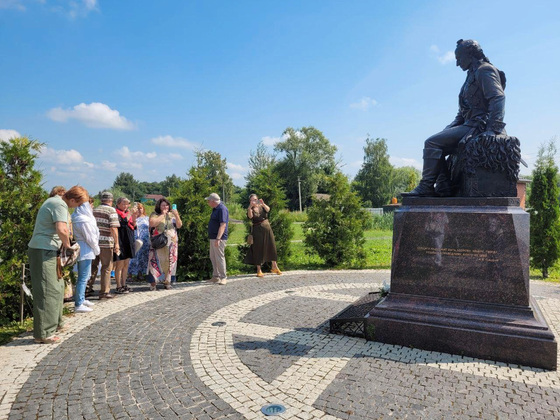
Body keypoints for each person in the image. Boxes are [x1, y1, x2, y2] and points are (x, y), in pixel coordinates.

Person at [404, 39, 506, 197]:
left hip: (479, 126)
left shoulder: (484, 70)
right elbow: (462, 113)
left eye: (459, 58)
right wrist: (448, 129)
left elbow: (498, 97)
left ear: (469, 55)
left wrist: (493, 129)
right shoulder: (471, 75)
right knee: (437, 141)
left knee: (431, 142)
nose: (457, 63)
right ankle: (444, 187)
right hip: (468, 124)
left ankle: (427, 186)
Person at [28, 185, 87, 344]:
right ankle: (43, 333)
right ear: (72, 200)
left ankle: (56, 322)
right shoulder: (59, 204)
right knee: (48, 290)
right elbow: (62, 229)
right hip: (44, 250)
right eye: (78, 204)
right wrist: (68, 246)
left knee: (58, 286)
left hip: (48, 250)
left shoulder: (55, 201)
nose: (77, 207)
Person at [86, 191, 119, 299]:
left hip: (94, 243)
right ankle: (104, 292)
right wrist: (117, 243)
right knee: (106, 268)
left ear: (101, 200)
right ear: (111, 200)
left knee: (93, 267)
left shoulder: (94, 210)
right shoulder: (111, 210)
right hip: (106, 243)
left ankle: (87, 289)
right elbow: (113, 228)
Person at [71, 197, 100, 313]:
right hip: (85, 249)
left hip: (83, 247)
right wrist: (96, 248)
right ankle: (78, 303)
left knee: (85, 276)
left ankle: (82, 299)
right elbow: (89, 237)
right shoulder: (83, 220)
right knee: (83, 278)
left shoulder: (76, 217)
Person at [244, 194, 282, 277]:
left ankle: (274, 266)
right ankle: (259, 269)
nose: (254, 201)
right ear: (250, 201)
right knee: (258, 248)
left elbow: (268, 210)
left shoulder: (262, 206)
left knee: (271, 246)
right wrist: (250, 207)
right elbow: (250, 216)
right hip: (257, 231)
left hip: (267, 229)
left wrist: (263, 204)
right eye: (252, 200)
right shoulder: (250, 209)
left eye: (255, 199)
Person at [148, 198, 182, 290]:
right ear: (159, 206)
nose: (165, 207)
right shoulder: (155, 214)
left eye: (166, 205)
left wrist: (177, 215)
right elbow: (152, 223)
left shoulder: (172, 215)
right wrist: (163, 215)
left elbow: (179, 225)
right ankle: (153, 283)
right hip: (158, 242)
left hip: (171, 243)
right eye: (163, 205)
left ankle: (167, 282)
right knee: (155, 261)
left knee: (169, 262)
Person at [113, 197, 136, 294]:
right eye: (123, 204)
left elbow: (133, 226)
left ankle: (124, 284)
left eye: (127, 204)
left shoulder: (127, 213)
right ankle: (118, 286)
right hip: (121, 240)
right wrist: (130, 213)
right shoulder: (116, 213)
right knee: (120, 264)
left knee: (126, 264)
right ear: (118, 204)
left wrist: (134, 217)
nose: (125, 206)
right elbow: (122, 222)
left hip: (129, 240)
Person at [206, 193, 228, 285]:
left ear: (213, 201)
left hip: (219, 238)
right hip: (213, 237)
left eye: (208, 201)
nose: (208, 202)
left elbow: (223, 225)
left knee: (219, 257)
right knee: (213, 257)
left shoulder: (222, 209)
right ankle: (216, 276)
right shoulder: (215, 209)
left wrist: (218, 238)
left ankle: (223, 277)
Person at [128, 203, 150, 281]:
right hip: (135, 239)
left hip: (145, 240)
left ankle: (140, 274)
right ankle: (130, 274)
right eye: (137, 208)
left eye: (140, 208)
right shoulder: (132, 218)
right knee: (133, 257)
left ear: (143, 209)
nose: (139, 210)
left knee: (142, 257)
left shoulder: (147, 218)